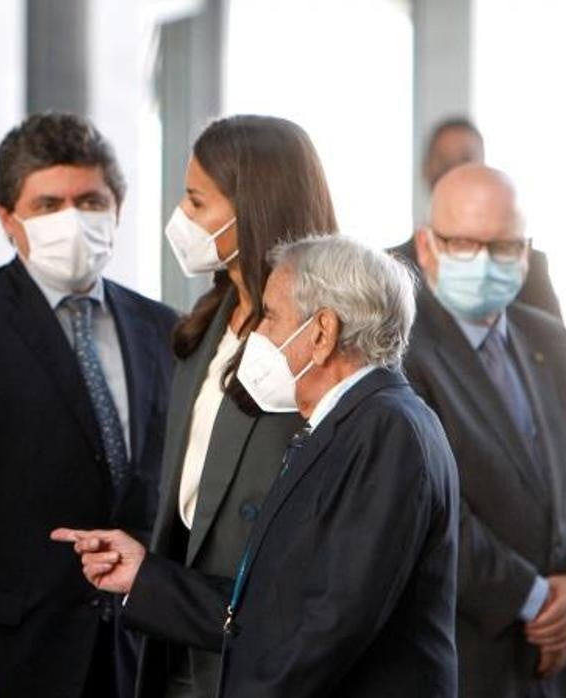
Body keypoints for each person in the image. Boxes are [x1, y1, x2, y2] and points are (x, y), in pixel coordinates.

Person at [55, 235, 460, 698]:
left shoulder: (386, 429)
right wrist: (146, 576)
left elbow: (327, 626)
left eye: (269, 315)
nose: (255, 335)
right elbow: (275, 608)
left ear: (322, 332)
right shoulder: (348, 424)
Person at [0, 112, 178, 698]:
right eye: (48, 205)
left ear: (117, 205)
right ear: (6, 218)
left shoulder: (163, 329)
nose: (72, 219)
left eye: (90, 200)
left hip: (130, 657)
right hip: (0, 662)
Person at [130, 114, 337, 697]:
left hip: (261, 647)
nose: (182, 219)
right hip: (181, 630)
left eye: (198, 202)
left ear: (254, 208)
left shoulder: (321, 337)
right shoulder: (212, 316)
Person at [403, 163, 566, 698]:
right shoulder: (400, 354)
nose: (486, 263)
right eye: (465, 244)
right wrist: (536, 599)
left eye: (504, 247)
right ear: (426, 247)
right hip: (463, 660)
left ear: (526, 251)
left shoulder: (553, 341)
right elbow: (431, 510)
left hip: (556, 663)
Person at [394, 115, 561, 317]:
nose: (453, 169)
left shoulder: (527, 265)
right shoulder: (390, 269)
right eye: (461, 243)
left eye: (465, 159)